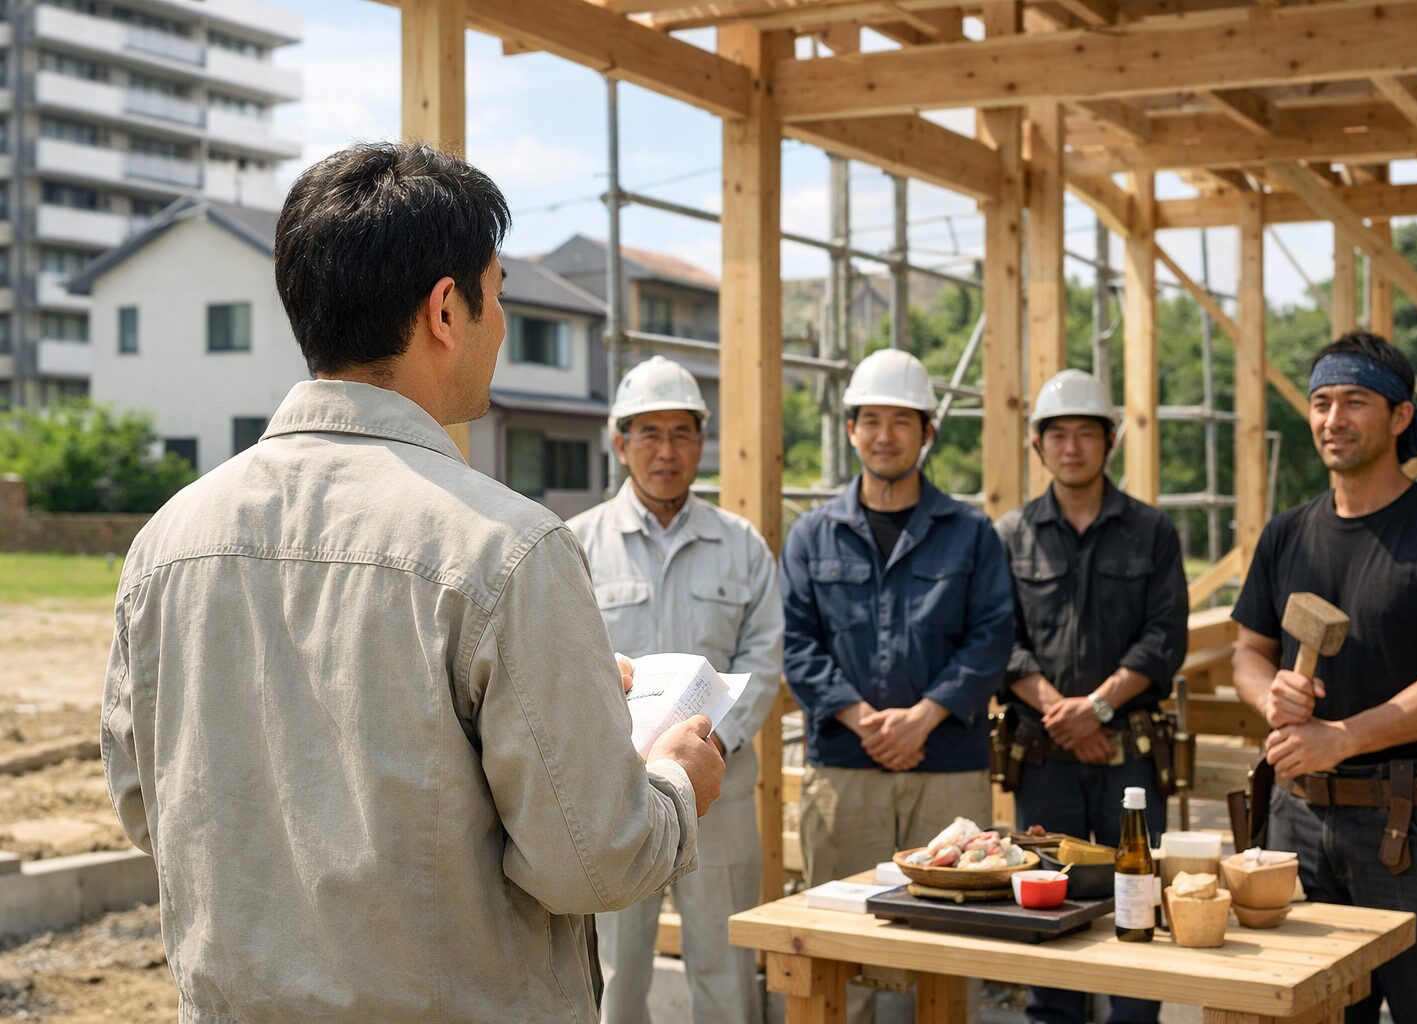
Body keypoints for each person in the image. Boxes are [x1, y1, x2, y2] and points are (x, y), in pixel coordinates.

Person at [100, 142, 724, 1024]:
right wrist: (673, 781)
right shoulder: (506, 548)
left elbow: (146, 805)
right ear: (445, 309)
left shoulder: (167, 543)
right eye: (497, 292)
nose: (501, 321)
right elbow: (591, 860)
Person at [1232, 332, 1417, 1024]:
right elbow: (1248, 651)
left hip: (1413, 825)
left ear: (1398, 417)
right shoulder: (1286, 535)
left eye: (1354, 401)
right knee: (1305, 1014)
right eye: (1321, 402)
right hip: (1295, 820)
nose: (1333, 419)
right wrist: (1267, 691)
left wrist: (1343, 736)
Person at [780, 347, 1012, 1014]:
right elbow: (797, 643)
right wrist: (861, 718)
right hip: (846, 768)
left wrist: (924, 716)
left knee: (946, 943)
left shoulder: (971, 534)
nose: (885, 435)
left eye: (902, 421)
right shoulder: (812, 535)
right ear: (850, 428)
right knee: (843, 944)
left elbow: (991, 636)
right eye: (871, 419)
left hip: (947, 767)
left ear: (928, 432)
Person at [569, 355, 783, 1024]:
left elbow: (765, 656)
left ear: (702, 441)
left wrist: (715, 738)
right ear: (619, 443)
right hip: (618, 795)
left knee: (723, 965)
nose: (666, 451)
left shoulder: (740, 545)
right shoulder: (577, 546)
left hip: (720, 790)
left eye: (682, 433)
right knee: (615, 971)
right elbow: (565, 666)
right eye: (649, 433)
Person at [994, 368, 1188, 1024]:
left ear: (1110, 442)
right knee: (1050, 902)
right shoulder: (1010, 535)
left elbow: (1164, 638)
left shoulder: (1150, 531)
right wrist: (1065, 714)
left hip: (1127, 753)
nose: (1071, 447)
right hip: (1044, 758)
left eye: (1086, 434)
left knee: (1137, 900)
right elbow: (1000, 640)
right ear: (1037, 446)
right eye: (1057, 435)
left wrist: (1097, 707)